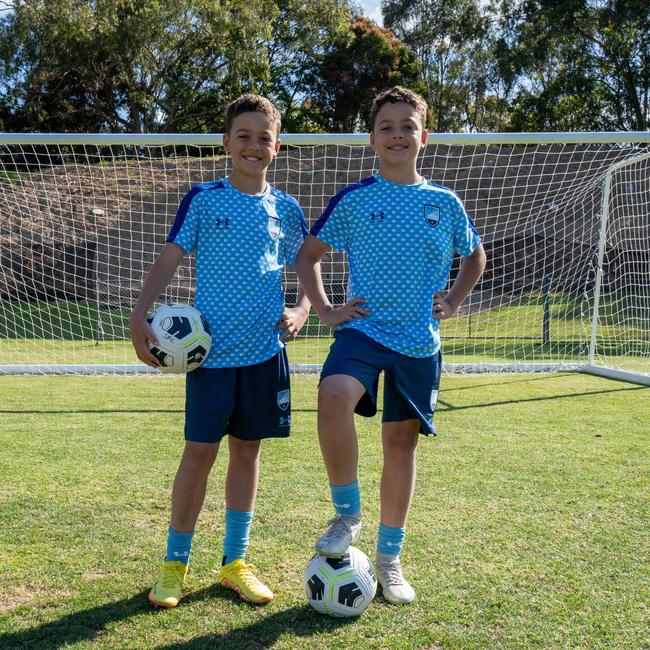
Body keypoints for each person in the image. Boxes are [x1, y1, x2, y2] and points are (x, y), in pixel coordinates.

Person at [295, 86, 486, 605]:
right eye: (386, 127)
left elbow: (475, 257)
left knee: (400, 446)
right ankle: (347, 512)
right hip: (364, 330)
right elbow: (308, 256)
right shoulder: (355, 200)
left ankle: (389, 559)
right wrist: (330, 311)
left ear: (423, 137)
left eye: (407, 126)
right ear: (372, 140)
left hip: (418, 343)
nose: (397, 134)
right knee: (333, 393)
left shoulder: (444, 203)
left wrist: (453, 300)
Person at [130, 94, 309, 608]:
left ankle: (235, 561)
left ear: (277, 146)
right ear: (227, 142)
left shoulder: (288, 209)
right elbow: (169, 259)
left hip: (263, 354)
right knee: (199, 454)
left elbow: (306, 269)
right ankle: (174, 565)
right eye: (244, 136)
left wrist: (300, 311)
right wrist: (140, 312)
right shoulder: (204, 199)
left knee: (247, 452)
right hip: (209, 358)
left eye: (264, 138)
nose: (254, 146)